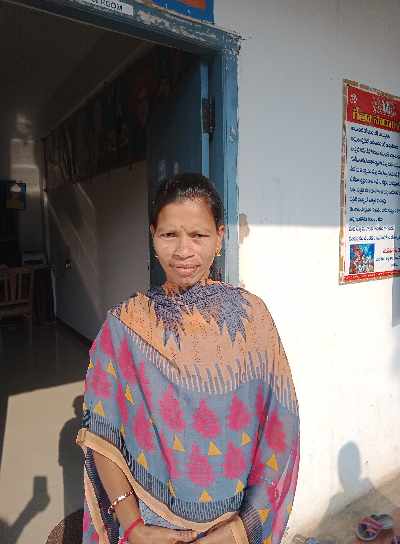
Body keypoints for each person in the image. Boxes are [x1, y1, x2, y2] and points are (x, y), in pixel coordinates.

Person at [77, 173, 300, 544]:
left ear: (220, 238)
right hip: (153, 523)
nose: (183, 251)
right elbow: (101, 431)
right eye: (169, 235)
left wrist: (243, 528)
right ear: (153, 236)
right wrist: (133, 527)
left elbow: (282, 424)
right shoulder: (125, 326)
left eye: (198, 235)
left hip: (235, 524)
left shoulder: (253, 319)